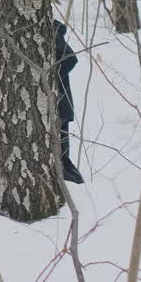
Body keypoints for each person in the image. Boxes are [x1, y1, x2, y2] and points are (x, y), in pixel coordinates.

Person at [54, 20, 84, 184]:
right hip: (59, 105)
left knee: (62, 158)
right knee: (61, 157)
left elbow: (70, 58)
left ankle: (74, 188)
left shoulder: (52, 31)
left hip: (60, 105)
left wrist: (51, 79)